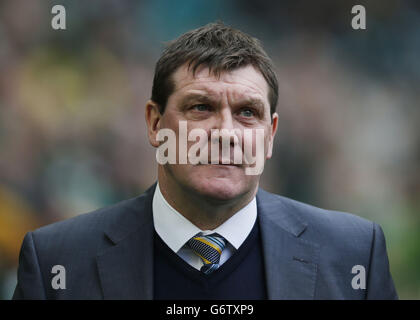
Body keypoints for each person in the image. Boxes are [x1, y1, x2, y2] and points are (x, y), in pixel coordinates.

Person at [13, 22, 398, 300]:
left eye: (248, 112)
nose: (225, 132)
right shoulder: (57, 262)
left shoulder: (352, 256)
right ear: (154, 123)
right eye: (201, 107)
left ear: (270, 134)